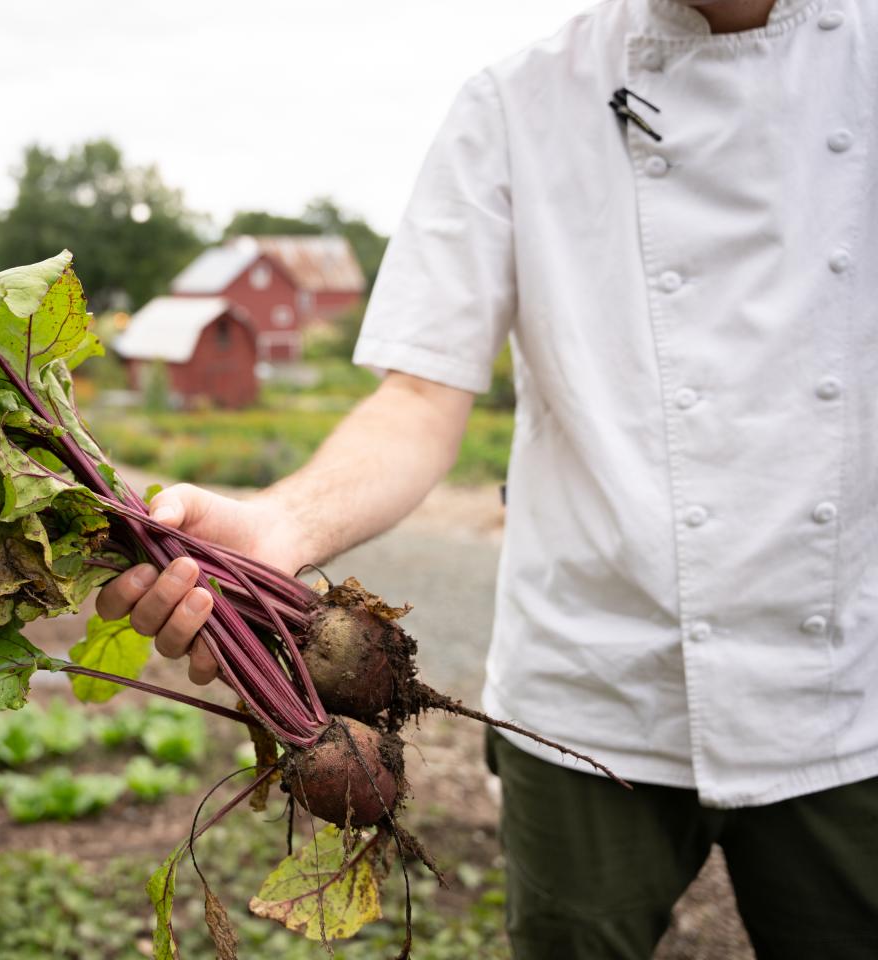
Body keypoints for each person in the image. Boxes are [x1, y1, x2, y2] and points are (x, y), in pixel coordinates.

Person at [95, 0, 878, 956]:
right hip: (591, 681)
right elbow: (420, 398)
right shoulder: (518, 100)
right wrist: (281, 528)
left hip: (851, 676)